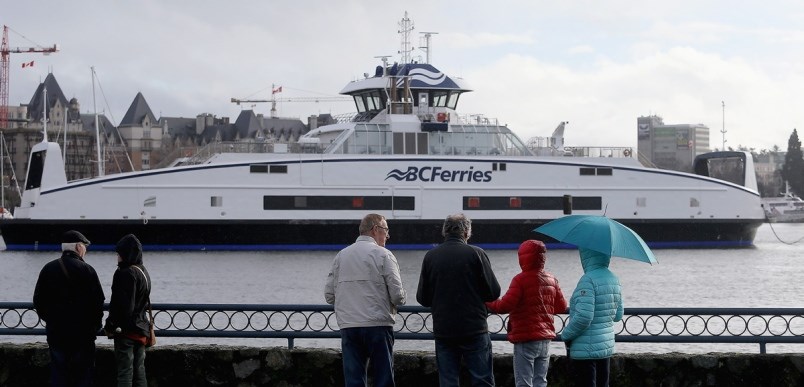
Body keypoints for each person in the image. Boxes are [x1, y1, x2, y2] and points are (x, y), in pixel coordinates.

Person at [416, 213, 501, 386]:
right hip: (474, 328)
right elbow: (493, 292)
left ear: (444, 231)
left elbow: (422, 298)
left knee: (448, 381)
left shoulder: (431, 256)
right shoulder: (476, 253)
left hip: (444, 330)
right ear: (467, 232)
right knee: (482, 380)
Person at [324, 213, 407, 387]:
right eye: (386, 230)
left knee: (354, 380)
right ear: (375, 229)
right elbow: (397, 296)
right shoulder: (384, 255)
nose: (388, 235)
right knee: (384, 378)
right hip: (378, 325)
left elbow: (329, 295)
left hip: (349, 326)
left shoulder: (341, 255)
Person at [485, 240, 568, 387]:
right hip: (546, 339)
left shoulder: (520, 280)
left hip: (526, 338)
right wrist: (544, 308)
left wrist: (487, 302)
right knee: (540, 381)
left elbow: (505, 306)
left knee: (523, 382)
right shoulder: (551, 279)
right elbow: (561, 306)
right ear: (543, 257)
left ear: (522, 257)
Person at [33, 230, 105, 387]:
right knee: (83, 374)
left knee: (59, 373)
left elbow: (38, 300)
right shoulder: (88, 270)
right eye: (84, 247)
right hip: (82, 334)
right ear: (79, 248)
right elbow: (98, 302)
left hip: (56, 332)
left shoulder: (48, 269)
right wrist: (94, 326)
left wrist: (51, 320)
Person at [560, 248, 623, 387]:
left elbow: (584, 317)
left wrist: (566, 334)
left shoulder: (587, 280)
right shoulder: (614, 279)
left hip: (585, 348)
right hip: (605, 346)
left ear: (586, 255)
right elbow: (618, 315)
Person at [104, 234, 151, 387]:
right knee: (139, 371)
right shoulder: (143, 271)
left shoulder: (125, 273)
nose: (117, 257)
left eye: (119, 253)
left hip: (126, 331)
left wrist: (110, 326)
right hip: (141, 328)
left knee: (125, 372)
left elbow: (123, 307)